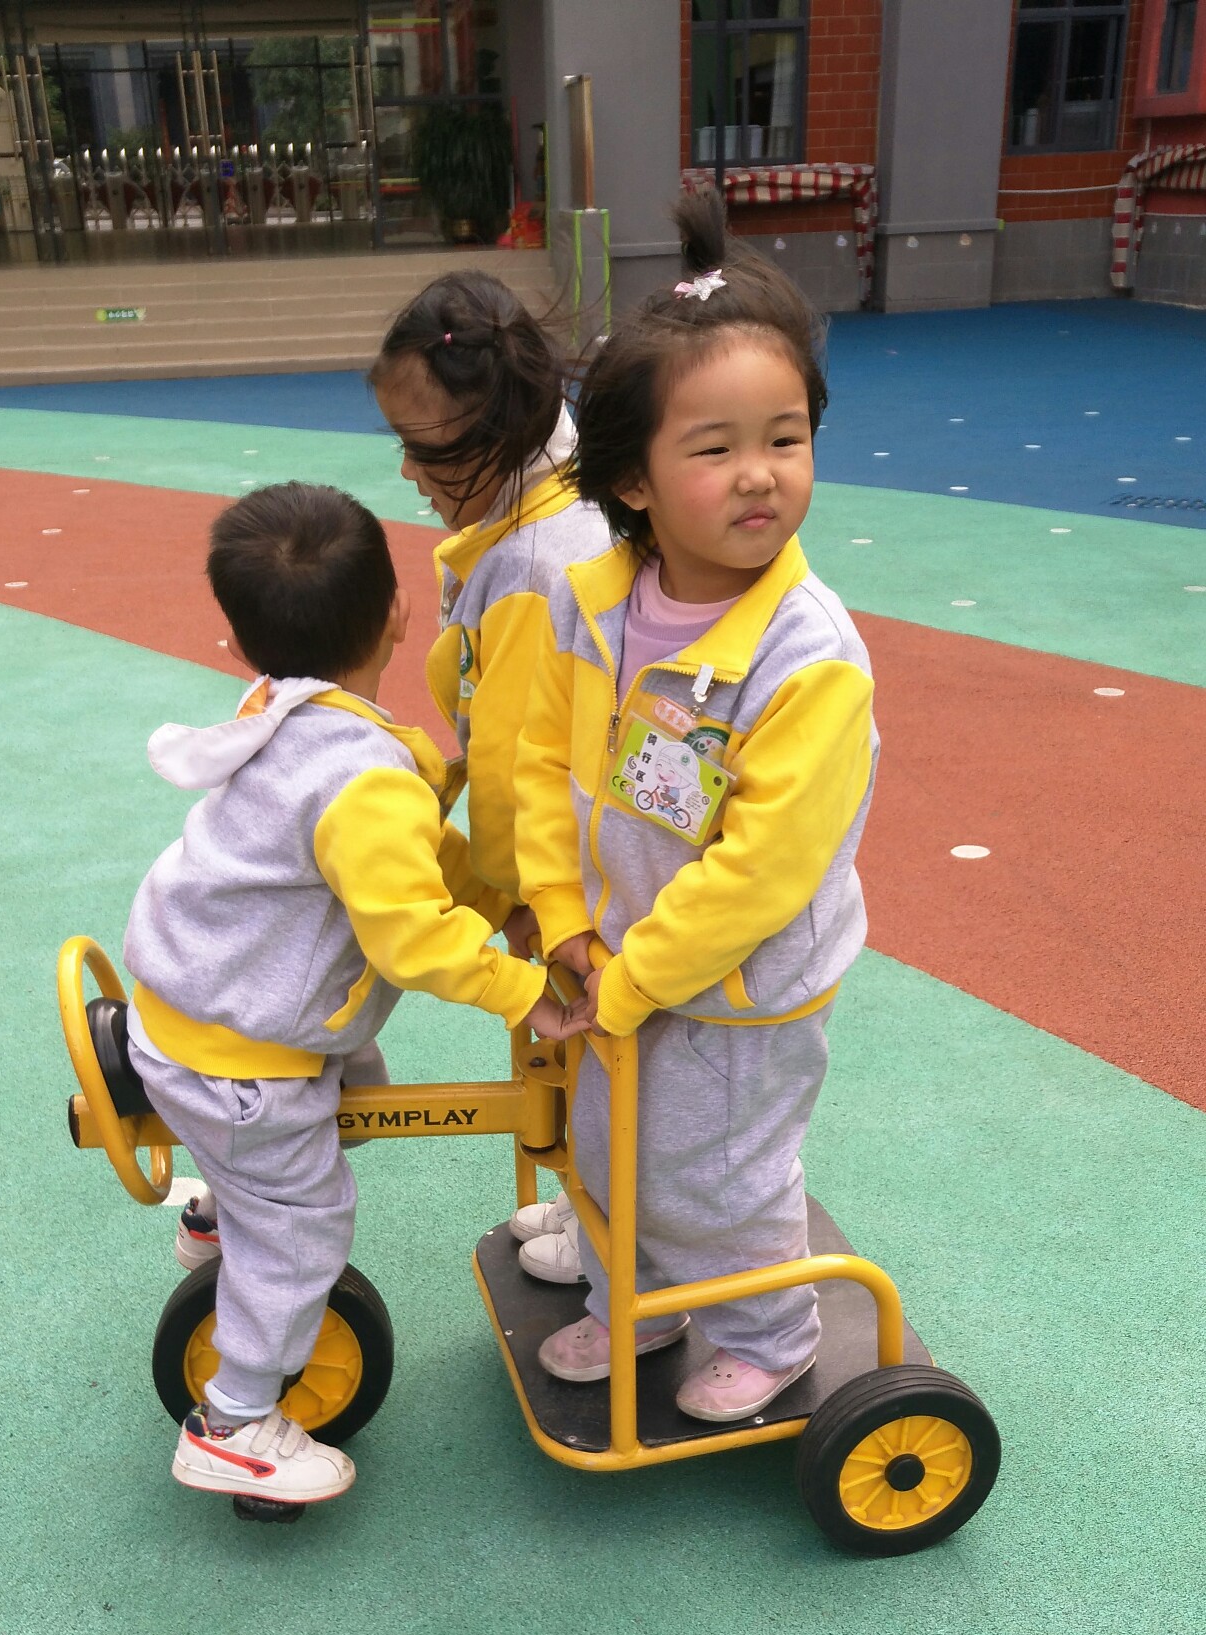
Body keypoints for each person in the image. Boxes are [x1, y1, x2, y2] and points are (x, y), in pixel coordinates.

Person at [124, 482, 570, 1506]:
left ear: (243, 644)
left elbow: (420, 856)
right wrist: (523, 990)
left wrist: (501, 901)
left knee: (348, 1096)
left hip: (195, 1008)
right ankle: (234, 1424)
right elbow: (411, 936)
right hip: (240, 1059)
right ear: (400, 613)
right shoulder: (360, 779)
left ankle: (224, 1211)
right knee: (306, 1224)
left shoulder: (288, 715)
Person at [513, 190, 879, 1424]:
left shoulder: (806, 658)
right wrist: (568, 918)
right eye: (715, 449)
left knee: (714, 1168)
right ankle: (644, 1300)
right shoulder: (595, 601)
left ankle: (771, 1333)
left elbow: (761, 873)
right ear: (632, 477)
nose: (760, 475)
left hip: (738, 985)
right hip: (622, 950)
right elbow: (547, 770)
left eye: (786, 438)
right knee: (611, 1141)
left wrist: (631, 980)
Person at [371, 269, 609, 1288]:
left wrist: (515, 901)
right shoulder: (533, 518)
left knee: (598, 1049)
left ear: (499, 434)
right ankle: (592, 1203)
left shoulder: (535, 566)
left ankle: (618, 1249)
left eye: (426, 451)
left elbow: (517, 764)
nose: (410, 472)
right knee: (580, 1053)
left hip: (576, 877)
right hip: (579, 860)